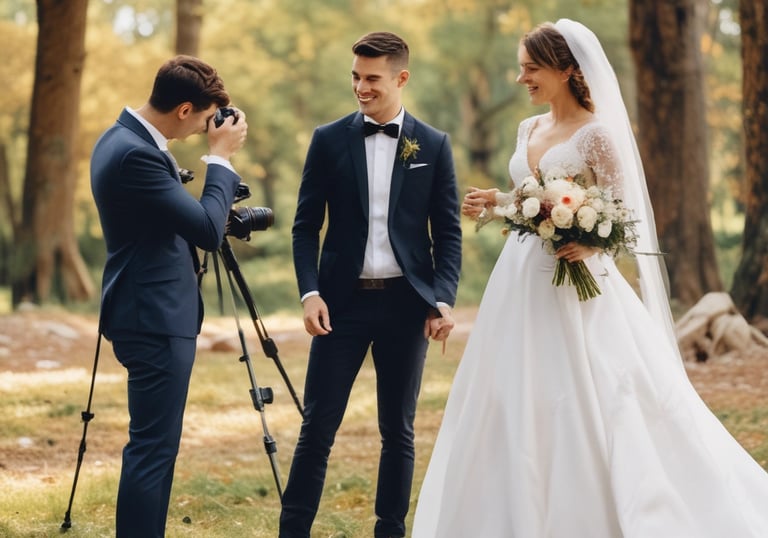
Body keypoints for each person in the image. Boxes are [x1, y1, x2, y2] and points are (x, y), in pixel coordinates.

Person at [412, 19, 768, 538]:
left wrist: (593, 240)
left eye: (531, 69)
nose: (521, 79)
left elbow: (623, 214)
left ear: (567, 69)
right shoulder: (526, 129)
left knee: (589, 386)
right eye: (521, 68)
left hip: (577, 282)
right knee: (508, 388)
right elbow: (531, 201)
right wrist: (498, 202)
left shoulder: (597, 133)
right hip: (519, 278)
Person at [280, 31, 462, 538]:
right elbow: (303, 226)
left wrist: (441, 299)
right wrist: (309, 292)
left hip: (407, 305)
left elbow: (447, 234)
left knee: (397, 432)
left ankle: (390, 531)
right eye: (356, 77)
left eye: (372, 78)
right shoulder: (328, 139)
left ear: (401, 78)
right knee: (316, 429)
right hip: (340, 305)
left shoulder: (434, 144)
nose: (361, 87)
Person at [90, 55, 248, 537]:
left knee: (153, 447)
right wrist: (220, 158)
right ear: (184, 109)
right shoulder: (137, 153)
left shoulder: (119, 139)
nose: (207, 128)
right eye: (204, 119)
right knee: (153, 449)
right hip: (154, 317)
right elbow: (205, 230)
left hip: (148, 311)